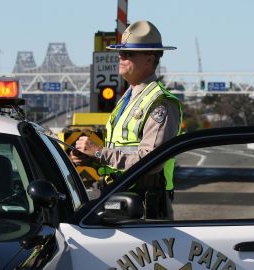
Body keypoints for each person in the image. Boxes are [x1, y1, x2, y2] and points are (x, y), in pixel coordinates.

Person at [71, 20, 183, 219]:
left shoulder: (160, 103)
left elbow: (151, 161)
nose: (121, 57)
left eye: (129, 53)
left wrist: (99, 152)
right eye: (120, 52)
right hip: (120, 196)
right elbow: (120, 152)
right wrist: (93, 159)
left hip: (146, 204)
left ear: (150, 59)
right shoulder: (129, 97)